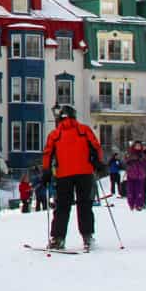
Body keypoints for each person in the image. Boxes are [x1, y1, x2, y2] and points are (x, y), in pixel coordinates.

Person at [40, 105, 103, 250]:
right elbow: (96, 146)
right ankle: (87, 237)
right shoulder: (84, 130)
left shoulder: (55, 134)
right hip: (84, 172)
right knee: (85, 205)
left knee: (62, 207)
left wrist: (46, 171)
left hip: (63, 174)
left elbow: (47, 154)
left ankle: (58, 238)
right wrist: (98, 163)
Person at [124, 144, 146, 211]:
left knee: (139, 190)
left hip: (140, 175)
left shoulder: (143, 154)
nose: (138, 147)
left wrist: (143, 161)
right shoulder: (130, 154)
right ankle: (131, 204)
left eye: (139, 146)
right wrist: (131, 160)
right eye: (136, 145)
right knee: (131, 191)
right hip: (131, 175)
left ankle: (139, 205)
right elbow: (126, 161)